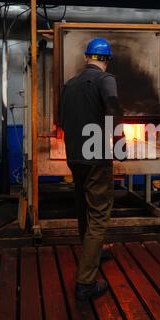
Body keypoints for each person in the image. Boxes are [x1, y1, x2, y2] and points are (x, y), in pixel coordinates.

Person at [59, 37, 123, 301]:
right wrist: (119, 145)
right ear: (105, 60)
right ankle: (86, 283)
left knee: (84, 208)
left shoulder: (70, 84)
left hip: (75, 156)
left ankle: (93, 250)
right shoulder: (105, 79)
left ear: (87, 58)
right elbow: (114, 111)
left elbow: (61, 119)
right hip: (97, 157)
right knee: (99, 214)